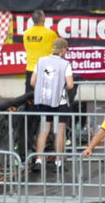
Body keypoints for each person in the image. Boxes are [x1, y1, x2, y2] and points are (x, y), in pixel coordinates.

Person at [29, 37, 75, 173]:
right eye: (66, 49)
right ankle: (58, 162)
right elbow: (70, 85)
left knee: (44, 129)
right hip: (60, 101)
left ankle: (38, 161)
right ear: (63, 50)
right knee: (59, 131)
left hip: (44, 100)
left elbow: (32, 82)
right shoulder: (65, 64)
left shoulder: (41, 61)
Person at [22, 10, 57, 88]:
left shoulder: (26, 33)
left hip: (30, 69)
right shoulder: (51, 34)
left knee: (30, 95)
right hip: (46, 69)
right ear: (43, 19)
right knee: (46, 94)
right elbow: (57, 51)